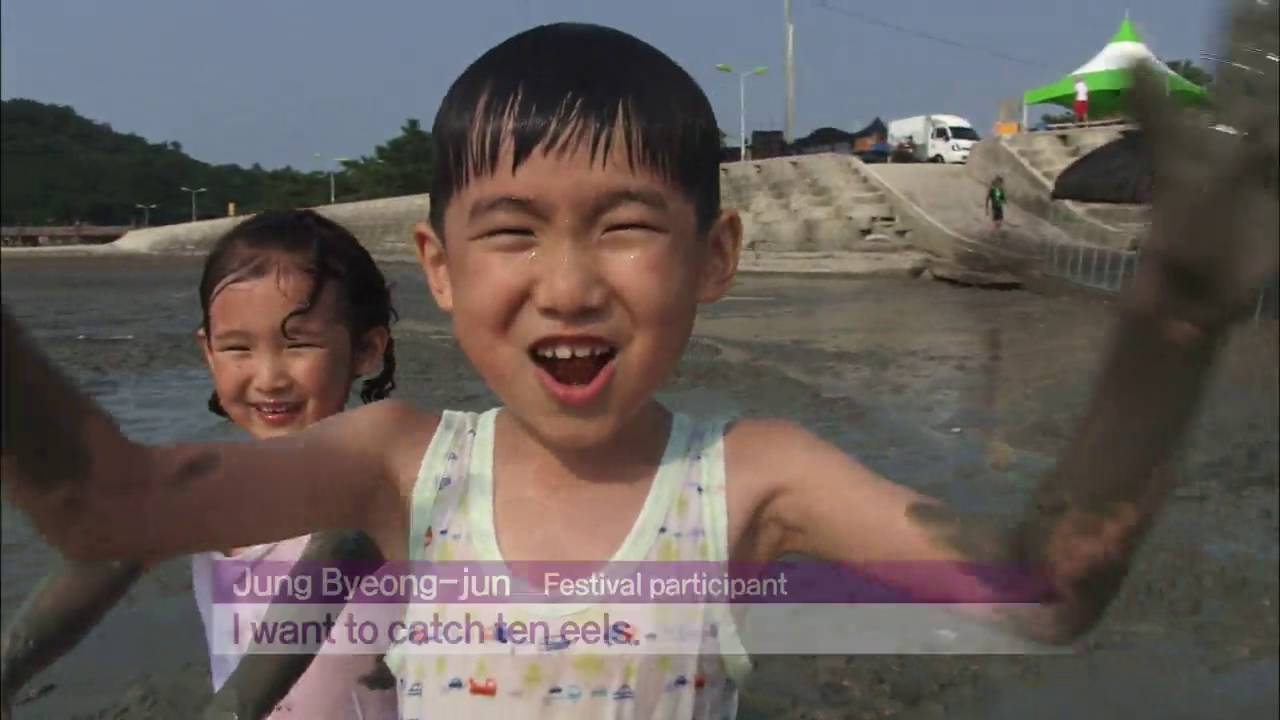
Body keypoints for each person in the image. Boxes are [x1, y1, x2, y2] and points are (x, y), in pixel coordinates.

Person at [2, 15, 1277, 720]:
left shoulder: (752, 478)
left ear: (713, 255)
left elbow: (1036, 597)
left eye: (622, 225)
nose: (567, 283)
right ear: (440, 270)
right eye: (512, 232)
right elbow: (105, 509)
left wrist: (1175, 312)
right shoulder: (398, 467)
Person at [1, 209, 401, 720]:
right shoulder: (218, 496)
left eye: (298, 343)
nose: (269, 377)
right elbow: (115, 550)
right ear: (207, 352)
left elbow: (335, 559)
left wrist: (233, 709)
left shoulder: (377, 477)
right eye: (238, 348)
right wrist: (9, 663)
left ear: (367, 349)